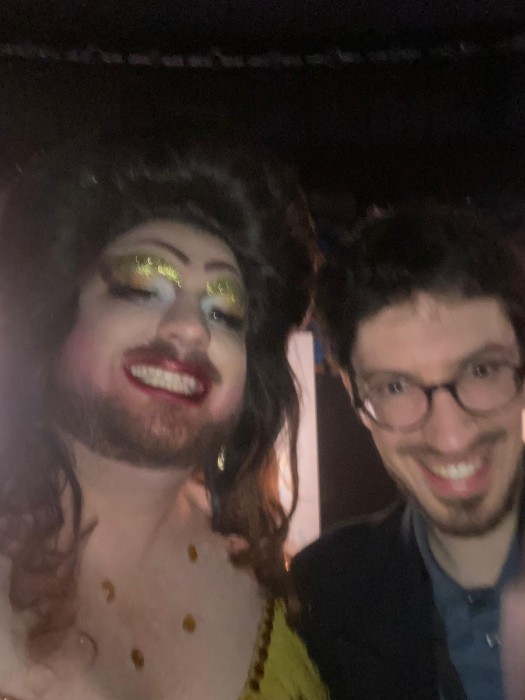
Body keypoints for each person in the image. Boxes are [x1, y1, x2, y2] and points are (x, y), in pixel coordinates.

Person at [0, 136, 327, 699]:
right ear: (55, 324)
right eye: (141, 288)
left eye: (225, 313)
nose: (192, 329)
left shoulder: (265, 573)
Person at [292, 204, 525, 700]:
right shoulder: (323, 592)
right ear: (356, 397)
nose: (450, 437)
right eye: (396, 387)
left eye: (480, 371)